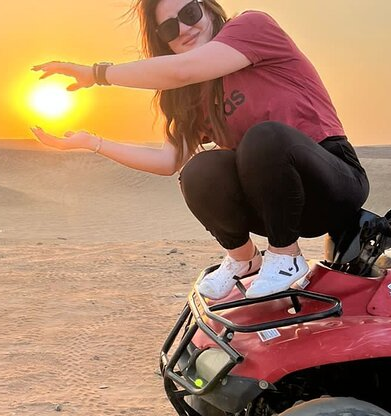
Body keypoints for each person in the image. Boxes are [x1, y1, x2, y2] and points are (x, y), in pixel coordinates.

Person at [31, 0, 369, 300]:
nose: (184, 28)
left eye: (190, 13)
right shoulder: (186, 93)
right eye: (169, 27)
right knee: (197, 170)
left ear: (208, 8)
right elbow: (168, 161)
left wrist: (97, 74)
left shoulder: (253, 27)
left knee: (263, 137)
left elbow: (183, 69)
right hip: (276, 206)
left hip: (331, 180)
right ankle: (245, 258)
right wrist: (92, 143)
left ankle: (285, 257)